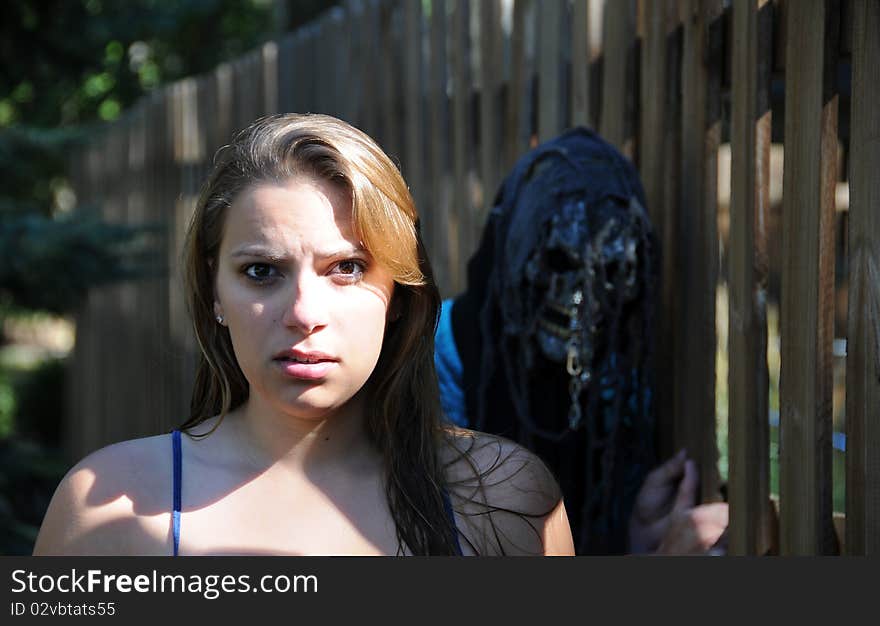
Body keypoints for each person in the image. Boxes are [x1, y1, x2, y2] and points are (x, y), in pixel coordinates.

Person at [33, 113, 575, 556]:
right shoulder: (108, 511)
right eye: (262, 271)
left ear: (398, 295)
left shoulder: (506, 499)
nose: (302, 313)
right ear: (214, 292)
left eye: (346, 268)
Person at [434, 127, 728, 555]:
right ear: (514, 254)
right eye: (560, 262)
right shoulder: (442, 352)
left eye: (607, 275)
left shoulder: (615, 371)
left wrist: (632, 533)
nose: (578, 301)